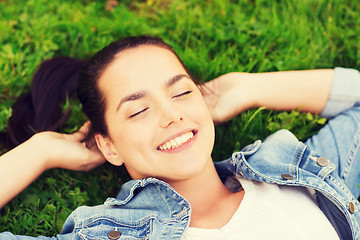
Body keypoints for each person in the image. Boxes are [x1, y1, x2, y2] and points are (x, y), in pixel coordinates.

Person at [0, 35, 359, 239]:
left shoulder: (301, 176)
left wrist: (247, 87)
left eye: (182, 93)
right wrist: (41, 150)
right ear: (108, 145)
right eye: (139, 110)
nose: (172, 115)